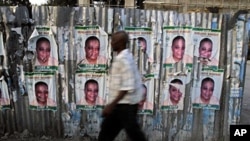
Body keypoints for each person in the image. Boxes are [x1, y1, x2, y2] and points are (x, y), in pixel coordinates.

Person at [98, 31, 147, 141]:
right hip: (122, 106)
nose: (111, 43)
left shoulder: (123, 60)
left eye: (114, 40)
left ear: (120, 43)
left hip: (125, 106)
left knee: (134, 134)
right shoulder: (125, 56)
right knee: (106, 134)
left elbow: (127, 87)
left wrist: (111, 105)